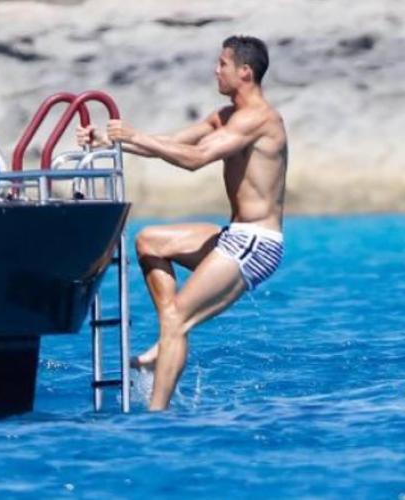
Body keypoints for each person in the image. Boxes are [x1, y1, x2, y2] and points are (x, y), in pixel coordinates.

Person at [76, 35, 287, 411]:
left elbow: (196, 158)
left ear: (245, 71)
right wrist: (109, 141)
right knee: (150, 242)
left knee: (176, 319)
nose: (215, 70)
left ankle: (156, 415)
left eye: (222, 64)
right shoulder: (225, 117)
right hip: (234, 235)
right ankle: (167, 342)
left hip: (257, 243)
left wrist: (135, 135)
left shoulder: (259, 119)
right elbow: (173, 142)